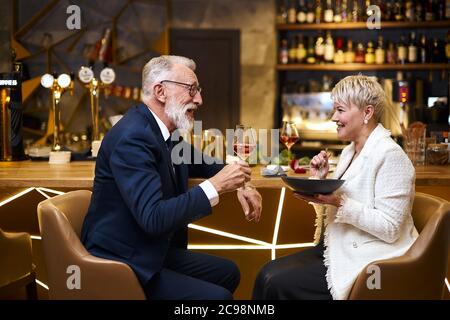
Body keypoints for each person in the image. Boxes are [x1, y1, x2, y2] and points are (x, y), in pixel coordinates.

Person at [81, 55, 262, 300]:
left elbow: (206, 164)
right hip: (123, 260)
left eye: (198, 90)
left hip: (149, 249)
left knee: (229, 272)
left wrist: (241, 181)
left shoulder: (164, 132)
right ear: (160, 91)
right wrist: (217, 186)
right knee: (218, 297)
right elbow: (153, 218)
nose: (199, 99)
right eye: (191, 89)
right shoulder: (133, 137)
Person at [253, 75, 418, 300]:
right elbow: (333, 211)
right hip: (336, 247)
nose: (333, 118)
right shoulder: (349, 152)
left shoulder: (391, 156)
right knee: (265, 274)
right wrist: (319, 179)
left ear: (367, 113)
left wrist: (338, 201)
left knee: (275, 283)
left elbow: (390, 229)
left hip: (372, 259)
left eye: (340, 110)